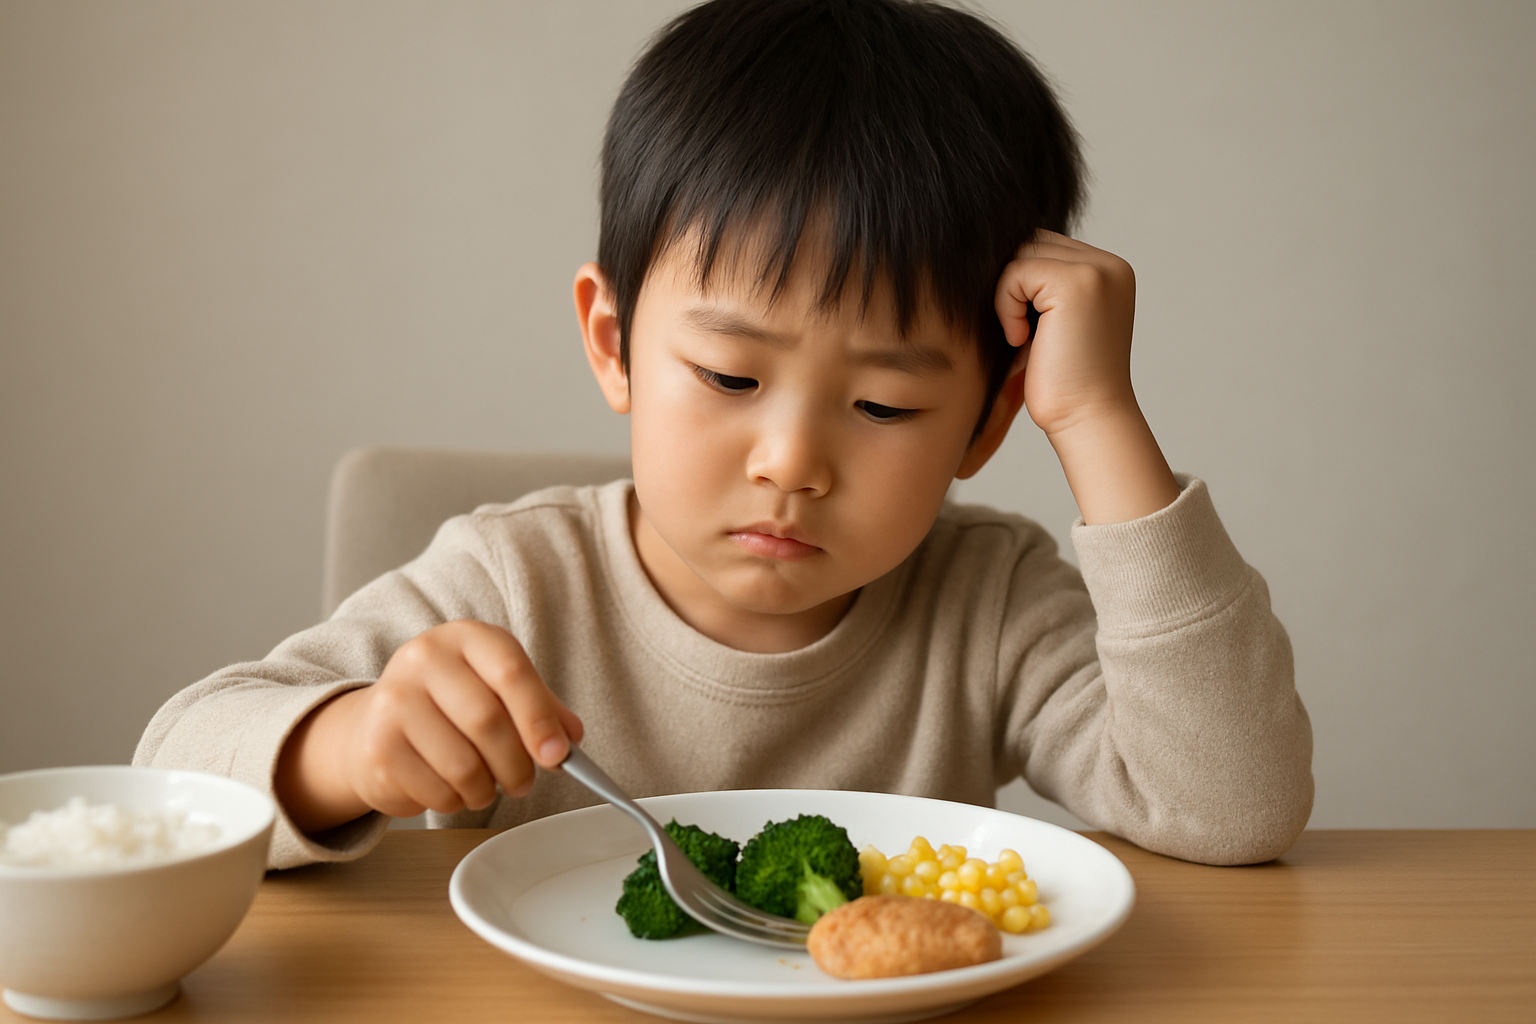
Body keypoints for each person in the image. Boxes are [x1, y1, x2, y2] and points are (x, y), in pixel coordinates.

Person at [135, 0, 1312, 870]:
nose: (792, 462)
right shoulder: (515, 582)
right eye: (730, 374)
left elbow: (1232, 808)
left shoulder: (988, 601)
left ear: (990, 415)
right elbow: (172, 767)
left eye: (886, 405)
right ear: (612, 340)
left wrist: (1097, 416)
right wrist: (343, 750)